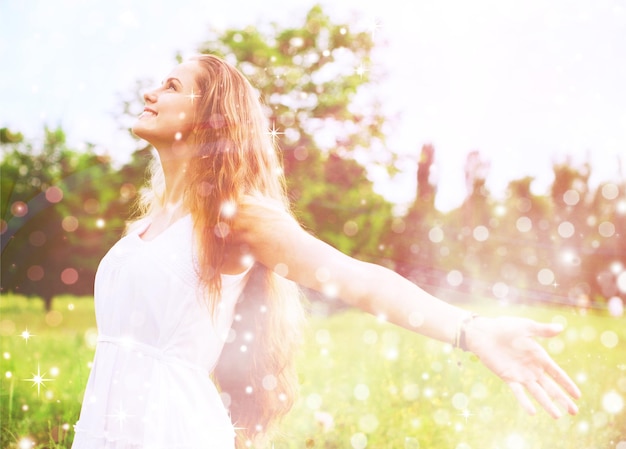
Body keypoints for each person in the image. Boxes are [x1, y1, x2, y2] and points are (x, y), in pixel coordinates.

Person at [71, 54, 581, 449]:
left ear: (209, 116)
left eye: (172, 86)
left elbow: (355, 278)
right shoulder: (147, 222)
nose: (150, 91)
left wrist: (471, 330)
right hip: (106, 427)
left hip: (171, 431)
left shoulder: (235, 214)